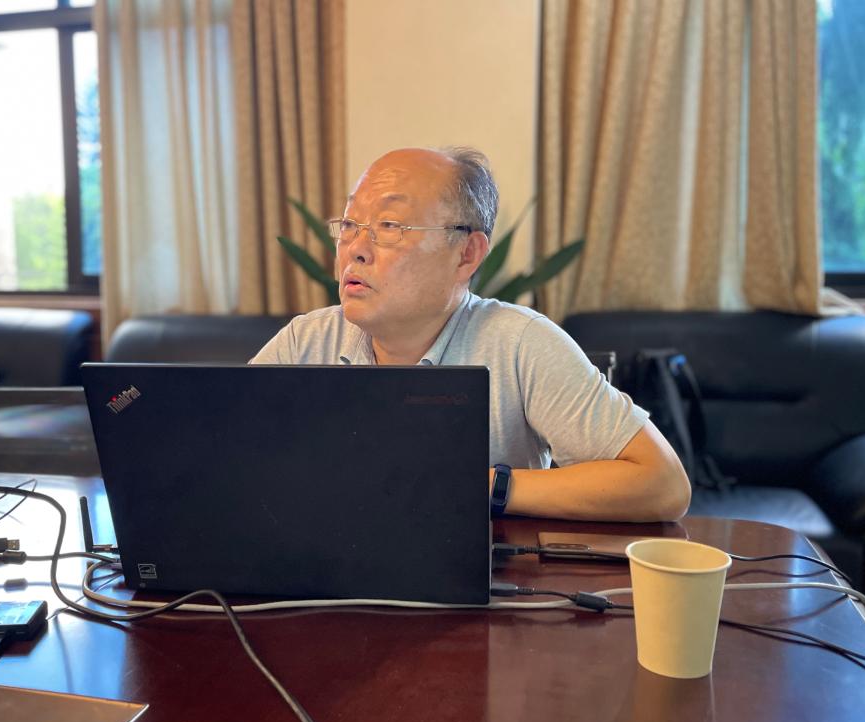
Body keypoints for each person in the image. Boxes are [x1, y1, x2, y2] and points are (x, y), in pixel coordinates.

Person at [252, 146, 690, 522]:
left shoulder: (520, 343)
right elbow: (227, 458)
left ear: (467, 254)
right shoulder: (306, 341)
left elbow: (663, 484)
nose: (356, 250)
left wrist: (481, 487)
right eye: (349, 225)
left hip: (481, 580)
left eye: (389, 226)